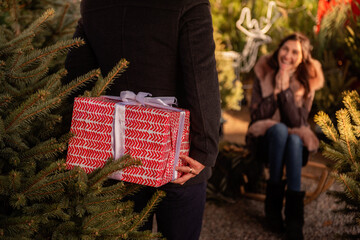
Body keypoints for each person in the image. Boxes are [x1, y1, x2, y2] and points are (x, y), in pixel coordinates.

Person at [63, 0, 221, 239]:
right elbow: (202, 78)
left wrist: (71, 142)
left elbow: (76, 78)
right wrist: (205, 150)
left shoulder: (94, 4)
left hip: (114, 154)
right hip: (178, 154)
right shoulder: (189, 3)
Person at [246, 33, 324, 240]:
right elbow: (256, 116)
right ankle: (274, 212)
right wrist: (275, 91)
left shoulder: (307, 81)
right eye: (285, 49)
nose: (288, 55)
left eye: (295, 52)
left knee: (294, 138)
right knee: (280, 131)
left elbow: (298, 122)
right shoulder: (264, 72)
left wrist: (285, 92)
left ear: (302, 58)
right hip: (264, 143)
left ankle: (293, 220)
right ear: (279, 49)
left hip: (294, 147)